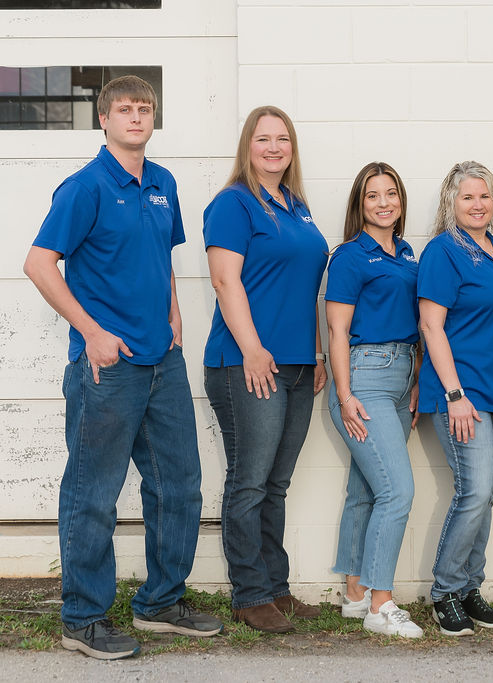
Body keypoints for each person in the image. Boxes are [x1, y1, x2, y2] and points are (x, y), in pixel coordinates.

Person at [23, 75, 222, 660]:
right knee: (93, 493)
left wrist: (175, 316)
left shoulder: (163, 183)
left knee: (179, 484)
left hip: (163, 361)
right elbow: (39, 265)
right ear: (104, 121)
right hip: (107, 369)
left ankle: (161, 602)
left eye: (145, 109)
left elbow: (159, 258)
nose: (136, 117)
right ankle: (82, 619)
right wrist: (92, 333)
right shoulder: (84, 188)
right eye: (125, 110)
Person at [203, 105, 328, 634]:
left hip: (299, 364)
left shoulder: (296, 206)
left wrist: (318, 351)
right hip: (247, 363)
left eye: (283, 139)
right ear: (247, 146)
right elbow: (225, 282)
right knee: (249, 482)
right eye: (263, 139)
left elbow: (306, 289)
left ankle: (276, 587)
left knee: (275, 484)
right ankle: (250, 593)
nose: (274, 147)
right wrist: (253, 349)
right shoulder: (233, 204)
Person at [418, 161, 493, 637]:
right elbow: (431, 325)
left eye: (484, 196)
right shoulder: (443, 252)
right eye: (467, 197)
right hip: (463, 393)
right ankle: (445, 591)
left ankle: (469, 589)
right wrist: (455, 394)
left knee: (485, 497)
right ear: (451, 202)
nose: (477, 204)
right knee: (475, 491)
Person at [325, 162, 423, 638]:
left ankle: (355, 592)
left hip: (402, 377)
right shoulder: (349, 256)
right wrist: (344, 395)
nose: (383, 203)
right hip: (364, 377)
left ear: (401, 201)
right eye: (372, 196)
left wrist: (417, 378)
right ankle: (381, 604)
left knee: (366, 489)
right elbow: (337, 329)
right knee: (397, 491)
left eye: (391, 194)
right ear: (359, 205)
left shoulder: (408, 255)